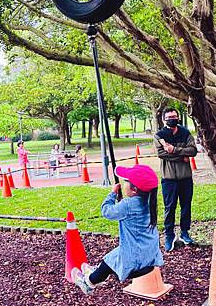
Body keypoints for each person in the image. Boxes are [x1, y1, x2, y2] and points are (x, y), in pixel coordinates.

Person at [72, 164, 163, 295]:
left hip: (136, 261)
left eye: (126, 181)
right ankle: (95, 272)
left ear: (134, 190)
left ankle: (88, 283)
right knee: (112, 256)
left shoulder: (127, 205)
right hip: (150, 254)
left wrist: (112, 194)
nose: (123, 183)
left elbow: (106, 211)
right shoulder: (149, 201)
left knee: (109, 262)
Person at [154, 108, 198, 252]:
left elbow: (193, 151)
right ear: (164, 119)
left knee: (186, 206)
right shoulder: (159, 135)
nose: (172, 119)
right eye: (169, 117)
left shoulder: (185, 133)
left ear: (178, 117)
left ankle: (185, 233)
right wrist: (182, 156)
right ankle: (169, 235)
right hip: (169, 179)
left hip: (185, 178)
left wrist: (174, 150)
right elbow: (161, 154)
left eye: (174, 116)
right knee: (170, 208)